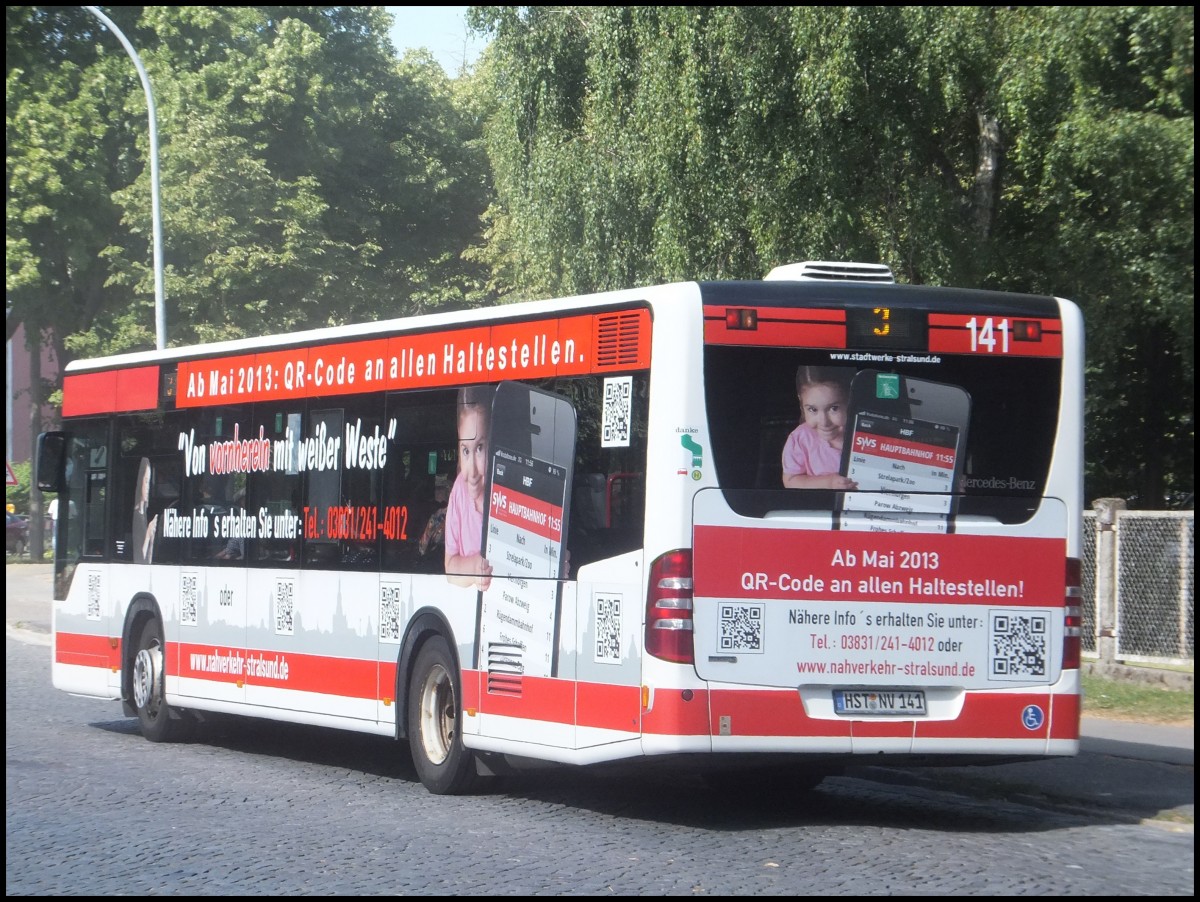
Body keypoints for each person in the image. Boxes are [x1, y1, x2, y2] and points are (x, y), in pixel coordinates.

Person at [445, 385, 494, 588]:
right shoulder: (459, 491)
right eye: (465, 450)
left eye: (480, 448)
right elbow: (450, 567)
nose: (471, 471)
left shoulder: (509, 491)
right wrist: (474, 568)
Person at [782, 366, 858, 490]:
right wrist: (829, 483)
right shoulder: (800, 439)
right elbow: (790, 480)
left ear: (850, 401)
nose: (824, 422)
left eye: (834, 408)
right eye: (813, 409)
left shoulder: (866, 433)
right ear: (801, 404)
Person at [131, 457, 157, 563]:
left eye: (149, 482)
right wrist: (148, 534)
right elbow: (139, 557)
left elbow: (149, 560)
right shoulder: (137, 515)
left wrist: (152, 536)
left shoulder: (144, 513)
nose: (147, 488)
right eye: (146, 482)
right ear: (140, 481)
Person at [418, 474, 450, 558]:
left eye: (442, 489)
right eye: (437, 489)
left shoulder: (445, 514)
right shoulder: (431, 511)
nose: (438, 492)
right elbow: (422, 548)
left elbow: (422, 548)